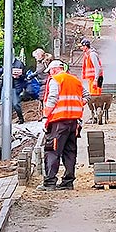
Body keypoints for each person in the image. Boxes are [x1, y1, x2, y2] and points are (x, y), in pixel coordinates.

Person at [37, 60, 89, 191]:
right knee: (70, 151)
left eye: (49, 71)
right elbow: (87, 96)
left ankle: (49, 182)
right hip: (74, 123)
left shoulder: (56, 79)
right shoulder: (75, 80)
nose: (49, 74)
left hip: (58, 122)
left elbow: (52, 99)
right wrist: (76, 106)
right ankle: (68, 182)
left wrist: (45, 117)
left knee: (52, 151)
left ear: (54, 69)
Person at [0, 56, 27, 124]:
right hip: (6, 86)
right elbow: (3, 69)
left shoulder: (19, 64)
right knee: (3, 103)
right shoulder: (7, 62)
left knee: (16, 104)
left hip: (14, 86)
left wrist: (18, 76)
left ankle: (20, 118)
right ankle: (2, 120)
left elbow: (24, 76)